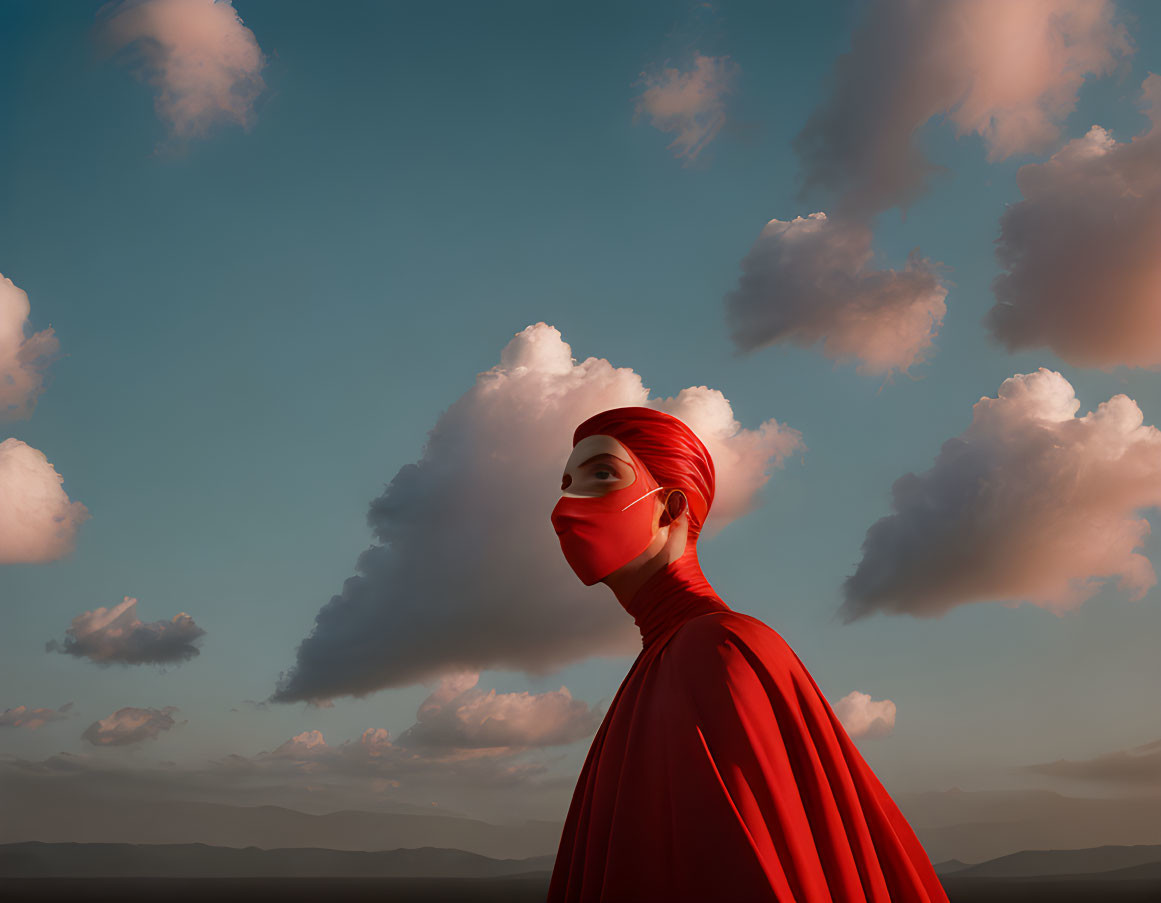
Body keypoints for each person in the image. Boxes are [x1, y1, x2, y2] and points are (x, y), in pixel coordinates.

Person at [546, 406, 950, 903]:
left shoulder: (716, 651)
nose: (564, 508)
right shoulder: (660, 663)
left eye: (602, 475)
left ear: (671, 508)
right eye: (566, 483)